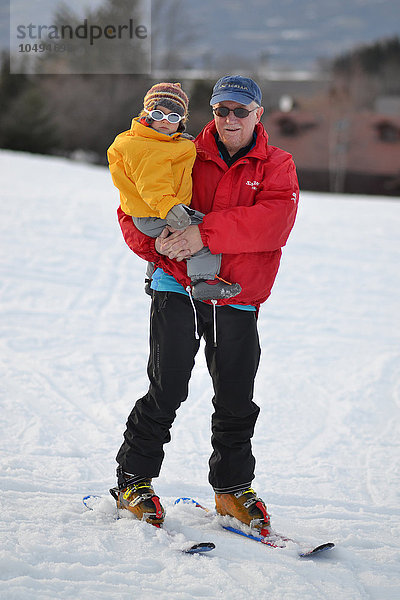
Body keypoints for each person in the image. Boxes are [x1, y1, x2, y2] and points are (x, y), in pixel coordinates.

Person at [110, 75, 299, 533]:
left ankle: (232, 490)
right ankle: (133, 481)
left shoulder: (277, 164)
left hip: (237, 294)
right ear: (211, 114)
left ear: (258, 113)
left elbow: (273, 224)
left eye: (240, 110)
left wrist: (202, 234)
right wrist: (161, 250)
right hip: (176, 285)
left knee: (236, 394)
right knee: (168, 385)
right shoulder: (182, 151)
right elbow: (131, 207)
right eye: (220, 110)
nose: (229, 119)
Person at [107, 82, 241, 302]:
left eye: (173, 118)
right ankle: (204, 280)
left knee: (167, 237)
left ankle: (152, 278)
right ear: (146, 113)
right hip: (157, 210)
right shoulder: (148, 148)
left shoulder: (154, 141)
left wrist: (177, 143)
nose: (164, 122)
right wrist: (170, 207)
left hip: (152, 211)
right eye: (159, 113)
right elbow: (151, 185)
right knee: (204, 229)